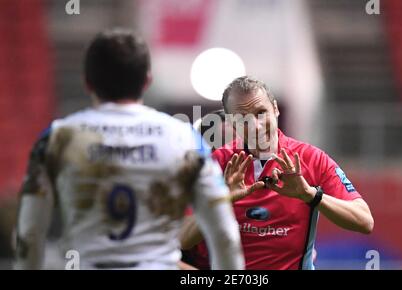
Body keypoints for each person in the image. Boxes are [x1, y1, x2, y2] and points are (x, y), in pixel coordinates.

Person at [13, 28, 244, 270]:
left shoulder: (56, 138)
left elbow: (29, 233)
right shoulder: (184, 138)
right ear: (147, 81)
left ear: (87, 82)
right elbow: (224, 234)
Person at [180, 76, 374, 270]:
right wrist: (221, 201)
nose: (255, 126)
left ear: (275, 109)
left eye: (261, 113)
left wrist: (310, 195)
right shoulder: (216, 164)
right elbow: (182, 239)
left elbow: (364, 221)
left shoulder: (312, 159)